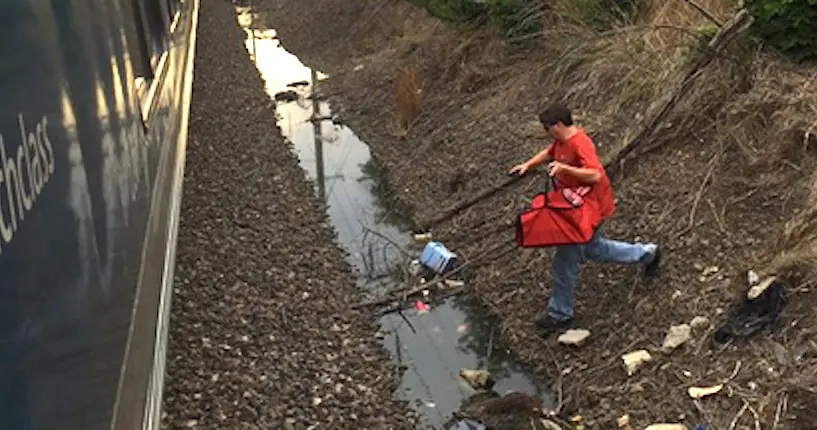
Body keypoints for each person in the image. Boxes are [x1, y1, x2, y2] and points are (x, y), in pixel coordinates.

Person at [509, 103, 662, 333]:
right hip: (576, 208)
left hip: (589, 210)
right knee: (595, 249)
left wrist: (565, 170)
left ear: (558, 125)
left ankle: (560, 313)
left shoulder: (581, 143)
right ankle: (647, 253)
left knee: (564, 261)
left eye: (547, 128)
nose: (545, 132)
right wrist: (528, 165)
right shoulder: (560, 142)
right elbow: (549, 153)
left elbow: (594, 174)